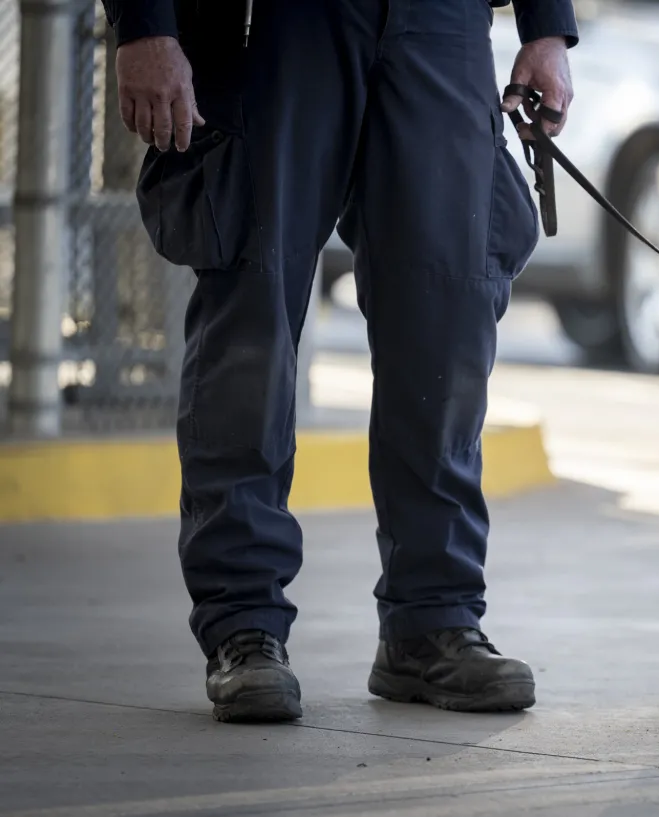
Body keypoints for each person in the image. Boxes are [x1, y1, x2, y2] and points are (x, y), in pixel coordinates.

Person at [102, 0, 576, 723]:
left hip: (439, 21)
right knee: (251, 317)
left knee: (446, 324)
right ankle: (244, 624)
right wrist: (145, 26)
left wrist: (546, 25)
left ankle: (432, 620)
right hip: (279, 22)